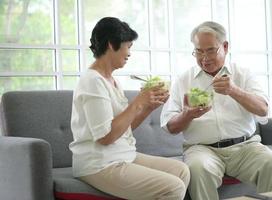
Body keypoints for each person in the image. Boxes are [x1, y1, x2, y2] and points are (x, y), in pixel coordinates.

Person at [160, 21, 272, 200]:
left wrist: (233, 90)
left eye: (211, 50)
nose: (205, 58)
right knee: (198, 168)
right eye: (199, 51)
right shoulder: (183, 80)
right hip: (202, 149)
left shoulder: (242, 74)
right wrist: (187, 115)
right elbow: (169, 126)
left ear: (225, 47)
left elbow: (263, 109)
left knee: (270, 163)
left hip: (245, 147)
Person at [69, 17, 190, 200]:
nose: (129, 53)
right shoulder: (92, 81)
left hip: (122, 155)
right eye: (128, 46)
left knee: (181, 171)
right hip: (99, 163)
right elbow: (105, 137)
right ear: (111, 44)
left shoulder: (112, 80)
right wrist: (137, 103)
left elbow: (124, 128)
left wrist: (148, 107)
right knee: (173, 187)